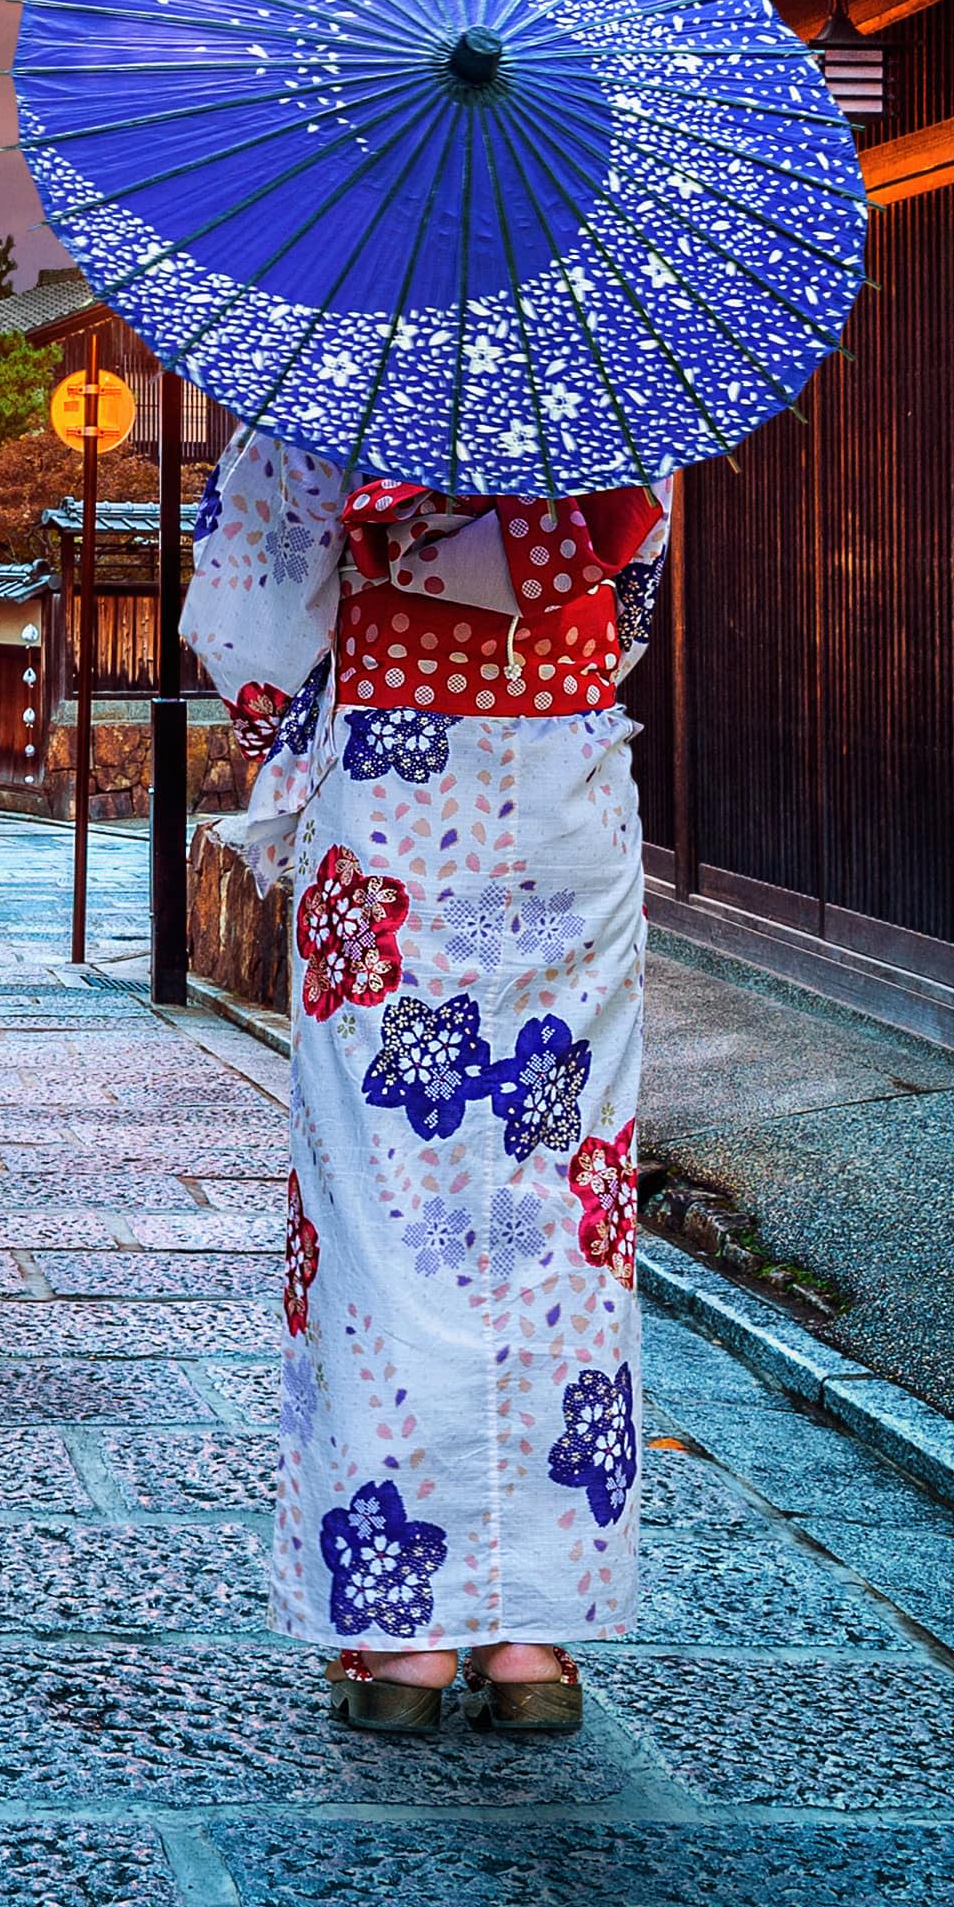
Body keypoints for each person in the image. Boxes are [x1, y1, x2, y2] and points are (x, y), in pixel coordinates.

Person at [178, 425, 668, 1736]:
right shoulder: (607, 372)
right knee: (560, 1199)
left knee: (390, 1207)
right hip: (567, 794)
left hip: (398, 800)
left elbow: (245, 615)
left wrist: (322, 722)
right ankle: (530, 1636)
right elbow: (626, 609)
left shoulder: (333, 376)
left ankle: (403, 1641)